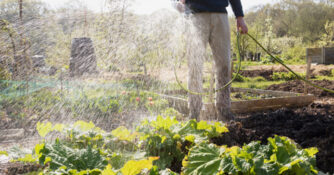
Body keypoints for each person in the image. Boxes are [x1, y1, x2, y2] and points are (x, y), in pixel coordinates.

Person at [176, 0, 248, 121]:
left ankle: (224, 110)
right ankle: (194, 111)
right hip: (195, 16)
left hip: (220, 15)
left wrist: (239, 16)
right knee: (194, 67)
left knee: (224, 65)